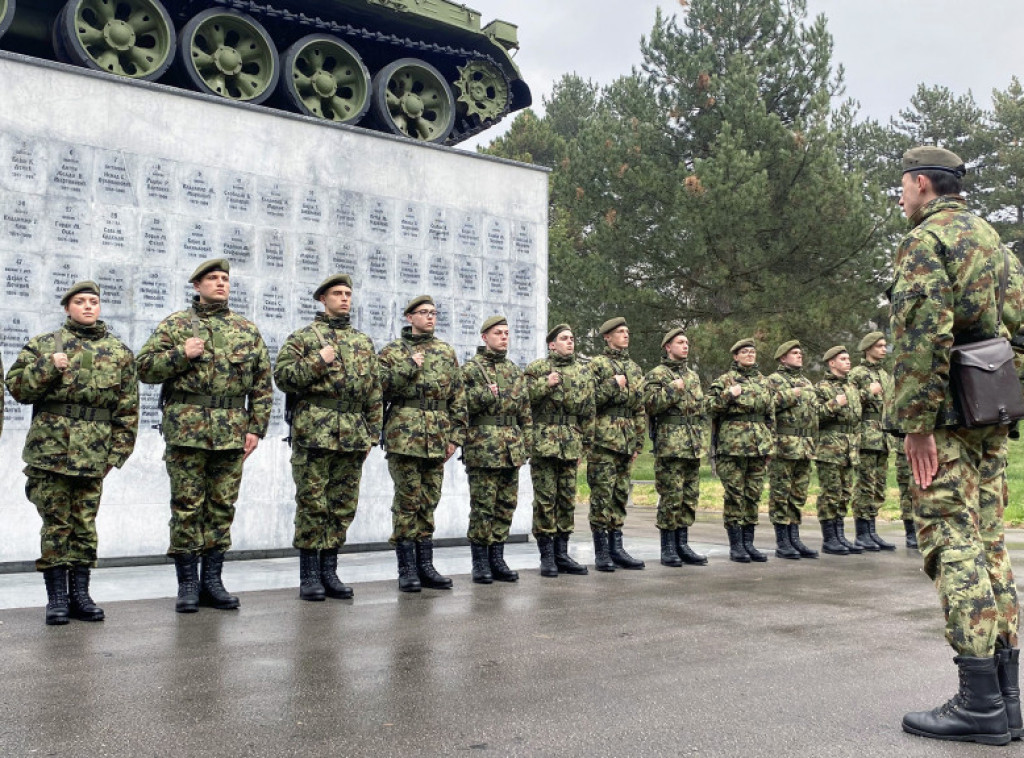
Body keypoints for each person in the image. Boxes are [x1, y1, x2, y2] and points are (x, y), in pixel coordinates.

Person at [892, 146, 1022, 744]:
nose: (900, 197)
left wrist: (918, 423)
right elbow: (1018, 327)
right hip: (988, 417)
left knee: (952, 541)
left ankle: (978, 704)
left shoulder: (928, 241)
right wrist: (999, 401)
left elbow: (925, 335)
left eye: (902, 186)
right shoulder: (994, 240)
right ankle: (1009, 702)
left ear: (922, 184)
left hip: (942, 422)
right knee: (991, 544)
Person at [137, 259, 272, 613]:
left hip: (230, 432)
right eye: (212, 278)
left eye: (225, 278)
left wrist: (256, 428)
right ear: (197, 285)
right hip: (186, 432)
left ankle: (212, 581)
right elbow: (145, 368)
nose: (220, 283)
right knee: (186, 507)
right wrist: (181, 353)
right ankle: (187, 585)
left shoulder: (246, 329)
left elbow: (262, 384)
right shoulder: (177, 325)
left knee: (222, 507)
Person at [6, 281, 138, 625]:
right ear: (68, 307)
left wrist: (116, 456)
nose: (88, 306)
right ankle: (57, 599)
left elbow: (127, 409)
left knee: (84, 525)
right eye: (80, 301)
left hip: (94, 455)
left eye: (93, 301)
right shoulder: (44, 345)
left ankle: (81, 595)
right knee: (55, 525)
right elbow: (17, 389)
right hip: (50, 452)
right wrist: (48, 366)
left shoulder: (118, 352)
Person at [273, 274, 382, 601]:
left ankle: (330, 571)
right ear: (322, 298)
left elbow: (374, 392)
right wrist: (318, 361)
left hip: (352, 436)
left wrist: (372, 436)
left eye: (348, 293)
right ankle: (309, 576)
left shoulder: (363, 342)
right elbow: (283, 378)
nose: (344, 298)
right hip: (314, 433)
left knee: (342, 505)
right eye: (337, 293)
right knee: (312, 503)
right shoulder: (305, 338)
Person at [378, 295, 467, 593]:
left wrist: (455, 436)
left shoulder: (445, 352)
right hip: (404, 438)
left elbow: (457, 397)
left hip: (437, 438)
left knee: (429, 501)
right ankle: (406, 569)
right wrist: (406, 367)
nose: (430, 317)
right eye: (424, 313)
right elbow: (377, 388)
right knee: (407, 502)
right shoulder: (393, 352)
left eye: (433, 313)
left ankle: (425, 565)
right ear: (409, 317)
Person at [461, 315, 531, 582]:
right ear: (484, 337)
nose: (503, 337)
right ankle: (480, 562)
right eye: (498, 333)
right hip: (483, 449)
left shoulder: (514, 371)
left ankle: (497, 558)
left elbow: (525, 412)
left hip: (511, 448)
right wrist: (483, 393)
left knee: (505, 505)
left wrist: (526, 445)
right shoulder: (471, 370)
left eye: (506, 333)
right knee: (483, 506)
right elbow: (460, 404)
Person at [524, 324, 594, 577]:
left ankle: (562, 554)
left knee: (566, 500)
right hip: (544, 444)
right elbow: (522, 401)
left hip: (571, 444)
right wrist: (545, 384)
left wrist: (585, 445)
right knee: (545, 500)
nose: (570, 342)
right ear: (551, 344)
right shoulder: (537, 369)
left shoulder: (582, 372)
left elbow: (588, 410)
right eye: (564, 339)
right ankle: (547, 556)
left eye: (572, 338)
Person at [642, 327, 708, 567]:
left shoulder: (693, 376)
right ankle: (668, 547)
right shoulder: (657, 374)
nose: (685, 346)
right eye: (680, 342)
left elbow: (699, 411)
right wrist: (672, 389)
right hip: (670, 446)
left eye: (687, 342)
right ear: (668, 347)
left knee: (689, 498)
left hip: (692, 445)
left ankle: (682, 544)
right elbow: (648, 405)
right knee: (671, 497)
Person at [586, 317, 646, 572]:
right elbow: (588, 400)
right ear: (607, 337)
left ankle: (617, 548)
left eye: (627, 331)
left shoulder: (634, 368)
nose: (625, 335)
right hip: (603, 441)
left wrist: (638, 441)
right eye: (620, 332)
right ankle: (601, 552)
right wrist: (613, 384)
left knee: (620, 495)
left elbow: (639, 407)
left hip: (626, 439)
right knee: (602, 495)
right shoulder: (596, 365)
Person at [707, 338, 774, 563]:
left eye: (752, 351)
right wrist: (728, 395)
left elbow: (770, 415)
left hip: (758, 446)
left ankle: (749, 543)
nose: (749, 355)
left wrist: (769, 444)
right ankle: (736, 546)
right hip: (732, 447)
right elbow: (707, 407)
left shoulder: (764, 382)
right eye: (744, 352)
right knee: (735, 495)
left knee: (753, 495)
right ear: (735, 356)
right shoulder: (725, 380)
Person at [765, 340, 819, 560]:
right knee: (781, 493)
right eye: (794, 353)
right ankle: (782, 541)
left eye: (800, 352)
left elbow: (813, 415)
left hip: (804, 445)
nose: (799, 356)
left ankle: (794, 537)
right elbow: (765, 406)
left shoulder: (807, 382)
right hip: (783, 445)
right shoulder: (773, 380)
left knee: (798, 494)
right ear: (782, 358)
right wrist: (790, 395)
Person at [813, 346, 863, 556]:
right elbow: (814, 415)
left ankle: (840, 535)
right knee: (830, 494)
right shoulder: (822, 388)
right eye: (843, 359)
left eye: (848, 358)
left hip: (849, 448)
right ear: (832, 363)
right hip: (829, 448)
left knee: (844, 494)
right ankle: (829, 539)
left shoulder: (852, 387)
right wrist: (834, 403)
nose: (848, 362)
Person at [848, 331, 896, 551]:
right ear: (868, 349)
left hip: (883, 435)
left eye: (885, 345)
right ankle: (861, 532)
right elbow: (848, 401)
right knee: (865, 485)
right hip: (867, 435)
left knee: (878, 486)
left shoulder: (886, 375)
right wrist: (868, 392)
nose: (884, 349)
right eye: (879, 346)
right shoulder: (857, 373)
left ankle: (872, 531)